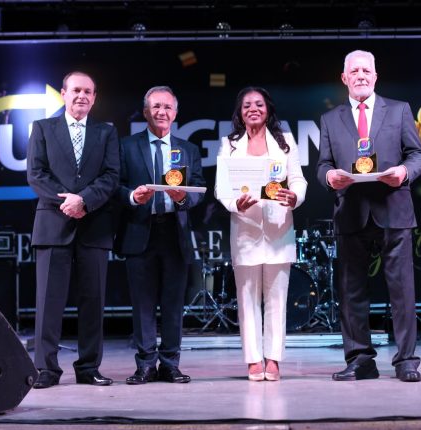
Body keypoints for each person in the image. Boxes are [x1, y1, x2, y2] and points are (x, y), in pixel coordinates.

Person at [316, 50, 421, 383]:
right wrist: (329, 177)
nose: (361, 75)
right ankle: (360, 360)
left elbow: (418, 156)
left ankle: (406, 360)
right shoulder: (330, 119)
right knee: (351, 293)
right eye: (354, 71)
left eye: (366, 70)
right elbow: (323, 165)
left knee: (402, 291)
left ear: (375, 76)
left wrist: (403, 173)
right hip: (351, 212)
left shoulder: (399, 110)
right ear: (344, 78)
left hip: (393, 207)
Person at [26, 70, 120, 389]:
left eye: (88, 91)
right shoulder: (43, 128)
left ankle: (89, 368)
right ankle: (45, 369)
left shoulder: (106, 132)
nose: (82, 96)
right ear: (63, 94)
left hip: (94, 226)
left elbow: (111, 175)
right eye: (76, 90)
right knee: (48, 303)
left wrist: (84, 201)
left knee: (93, 302)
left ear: (94, 98)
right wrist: (67, 201)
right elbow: (36, 173)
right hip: (53, 224)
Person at [115, 86, 205, 385]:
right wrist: (132, 197)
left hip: (174, 232)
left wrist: (183, 198)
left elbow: (198, 189)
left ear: (175, 113)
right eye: (155, 106)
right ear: (145, 112)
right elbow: (115, 186)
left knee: (173, 304)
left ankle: (170, 364)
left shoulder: (188, 150)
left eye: (167, 107)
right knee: (142, 304)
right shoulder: (127, 146)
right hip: (140, 230)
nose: (161, 112)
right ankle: (145, 365)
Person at [216, 87, 307, 381]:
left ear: (268, 109)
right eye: (246, 105)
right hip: (246, 229)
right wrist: (235, 204)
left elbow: (298, 180)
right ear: (240, 112)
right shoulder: (230, 145)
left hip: (279, 228)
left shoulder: (286, 142)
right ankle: (254, 359)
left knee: (277, 300)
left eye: (258, 104)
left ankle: (274, 359)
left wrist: (295, 197)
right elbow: (221, 187)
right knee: (247, 299)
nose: (253, 109)